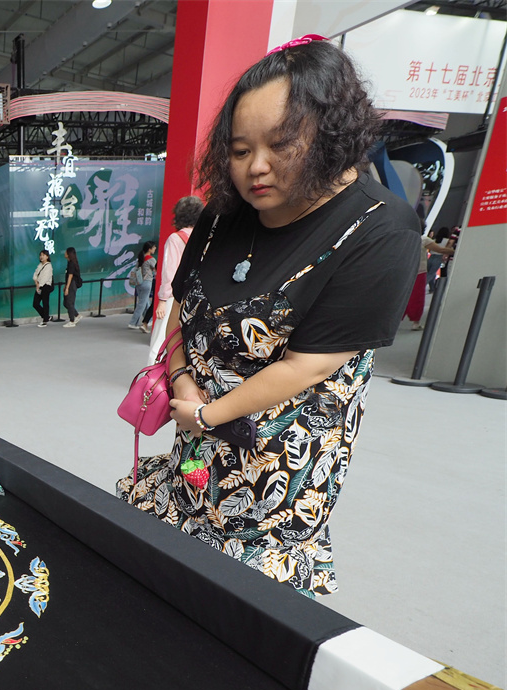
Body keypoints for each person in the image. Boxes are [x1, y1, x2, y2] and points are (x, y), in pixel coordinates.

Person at [117, 37, 420, 597]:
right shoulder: (224, 214)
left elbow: (309, 364)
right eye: (238, 150)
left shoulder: (380, 228)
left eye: (281, 144)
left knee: (236, 614)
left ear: (330, 134)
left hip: (276, 469)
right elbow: (184, 307)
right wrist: (185, 384)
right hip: (196, 433)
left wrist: (208, 415)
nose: (255, 168)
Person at [147, 196, 205, 364]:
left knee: (159, 340)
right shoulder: (202, 237)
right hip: (196, 297)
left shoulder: (176, 238)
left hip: (175, 297)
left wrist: (163, 300)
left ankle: (151, 382)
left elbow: (169, 272)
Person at [128, 241, 158, 331]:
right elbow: (156, 269)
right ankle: (133, 322)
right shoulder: (151, 259)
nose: (155, 248)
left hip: (139, 283)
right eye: (154, 247)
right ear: (149, 249)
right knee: (142, 303)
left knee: (145, 302)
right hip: (147, 282)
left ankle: (148, 320)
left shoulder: (141, 258)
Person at [32, 249, 54, 326]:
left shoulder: (49, 266)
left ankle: (45, 320)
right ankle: (46, 316)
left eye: (43, 255)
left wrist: (39, 285)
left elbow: (45, 278)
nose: (41, 257)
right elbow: (35, 275)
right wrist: (36, 283)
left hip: (45, 286)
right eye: (40, 255)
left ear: (47, 256)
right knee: (35, 304)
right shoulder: (40, 265)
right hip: (39, 286)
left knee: (45, 303)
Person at [62, 247, 82, 327]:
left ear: (69, 254)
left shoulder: (71, 264)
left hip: (72, 284)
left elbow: (70, 276)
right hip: (70, 284)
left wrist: (67, 287)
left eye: (66, 252)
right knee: (66, 303)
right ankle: (77, 315)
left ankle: (72, 320)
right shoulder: (70, 262)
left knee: (69, 302)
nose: (65, 254)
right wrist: (65, 285)